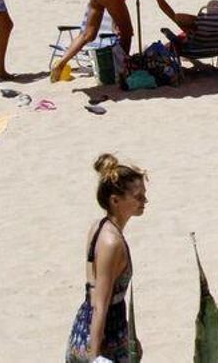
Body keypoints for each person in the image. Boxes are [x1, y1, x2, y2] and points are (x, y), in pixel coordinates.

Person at [65, 153, 147, 363]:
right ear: (115, 200)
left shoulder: (98, 227)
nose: (144, 201)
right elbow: (101, 304)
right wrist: (96, 358)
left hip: (82, 331)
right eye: (138, 196)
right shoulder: (112, 244)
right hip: (104, 341)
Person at [49, 0, 158, 82]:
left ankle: (61, 63)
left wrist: (115, 22)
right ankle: (122, 71)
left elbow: (118, 1)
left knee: (87, 35)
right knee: (127, 33)